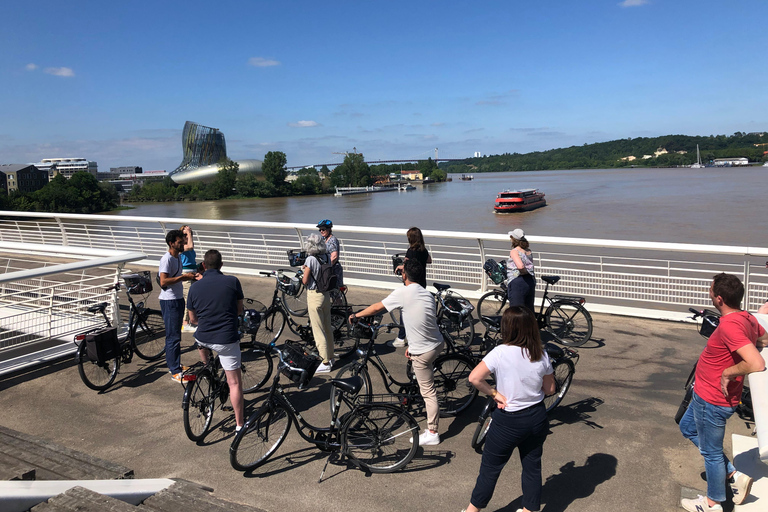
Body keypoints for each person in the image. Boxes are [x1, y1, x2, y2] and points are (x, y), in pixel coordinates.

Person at [679, 273, 768, 511]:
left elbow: (757, 363)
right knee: (686, 428)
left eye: (710, 290)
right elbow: (765, 339)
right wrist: (745, 347)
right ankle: (733, 475)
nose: (709, 293)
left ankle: (712, 503)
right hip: (706, 396)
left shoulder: (730, 325)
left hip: (712, 400)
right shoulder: (746, 317)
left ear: (718, 299)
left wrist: (729, 372)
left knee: (711, 453)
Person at [462, 306, 555, 512]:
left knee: (490, 468)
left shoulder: (500, 352)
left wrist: (495, 393)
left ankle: (472, 510)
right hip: (536, 417)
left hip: (508, 420)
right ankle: (529, 509)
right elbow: (550, 389)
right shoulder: (540, 352)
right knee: (532, 466)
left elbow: (474, 378)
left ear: (507, 328)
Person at [350, 259, 445, 445]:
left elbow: (377, 307)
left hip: (424, 351)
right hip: (436, 342)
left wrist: (356, 315)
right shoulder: (427, 294)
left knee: (428, 392)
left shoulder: (403, 292)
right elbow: (421, 320)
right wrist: (412, 345)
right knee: (420, 368)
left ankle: (433, 432)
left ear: (404, 276)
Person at [186, 249, 245, 430]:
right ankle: (240, 424)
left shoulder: (194, 287)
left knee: (207, 361)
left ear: (203, 265)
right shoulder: (232, 281)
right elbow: (240, 311)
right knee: (234, 383)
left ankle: (209, 375)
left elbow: (193, 319)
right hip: (226, 338)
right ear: (221, 264)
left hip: (202, 337)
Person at [158, 229, 197, 382]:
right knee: (172, 336)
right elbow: (163, 281)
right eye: (180, 243)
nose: (183, 245)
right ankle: (174, 370)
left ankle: (176, 364)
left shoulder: (178, 257)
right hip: (169, 301)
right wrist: (183, 277)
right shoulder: (166, 259)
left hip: (178, 299)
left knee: (176, 335)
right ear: (171, 243)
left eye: (183, 242)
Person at [301, 233, 335, 373]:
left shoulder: (310, 259)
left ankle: (325, 362)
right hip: (326, 295)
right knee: (327, 327)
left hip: (314, 296)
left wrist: (304, 270)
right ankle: (331, 356)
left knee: (318, 329)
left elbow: (305, 281)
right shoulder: (326, 256)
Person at [393, 226, 433, 347]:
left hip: (411, 284)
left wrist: (401, 266)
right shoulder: (423, 250)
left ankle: (401, 338)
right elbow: (429, 260)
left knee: (404, 309)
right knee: (418, 309)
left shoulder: (410, 251)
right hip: (422, 283)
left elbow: (406, 265)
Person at [507, 229, 536, 313]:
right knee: (528, 310)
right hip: (530, 280)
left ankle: (517, 326)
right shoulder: (528, 251)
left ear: (513, 239)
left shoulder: (514, 251)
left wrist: (523, 271)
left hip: (518, 282)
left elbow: (520, 266)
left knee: (517, 311)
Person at [179, 225, 198, 333]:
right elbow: (190, 246)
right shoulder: (182, 247)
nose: (188, 236)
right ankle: (185, 323)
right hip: (186, 276)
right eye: (185, 235)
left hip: (193, 274)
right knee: (188, 299)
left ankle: (192, 320)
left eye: (189, 234)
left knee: (194, 298)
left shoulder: (189, 247)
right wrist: (189, 234)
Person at [317, 219, 343, 288]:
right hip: (327, 270)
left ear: (329, 229)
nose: (321, 231)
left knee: (335, 293)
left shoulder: (332, 240)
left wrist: (325, 268)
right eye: (320, 230)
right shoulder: (324, 239)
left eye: (323, 229)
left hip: (333, 270)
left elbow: (334, 257)